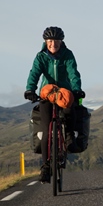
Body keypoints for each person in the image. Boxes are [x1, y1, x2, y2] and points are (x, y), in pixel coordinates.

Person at [24, 26, 83, 183]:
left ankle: (69, 137)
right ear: (45, 42)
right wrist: (30, 89)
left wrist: (76, 90)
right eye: (50, 41)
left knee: (70, 110)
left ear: (61, 42)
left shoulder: (68, 55)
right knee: (45, 129)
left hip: (64, 93)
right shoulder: (41, 56)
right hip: (48, 95)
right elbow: (34, 73)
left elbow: (73, 73)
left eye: (56, 41)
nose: (53, 44)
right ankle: (45, 167)